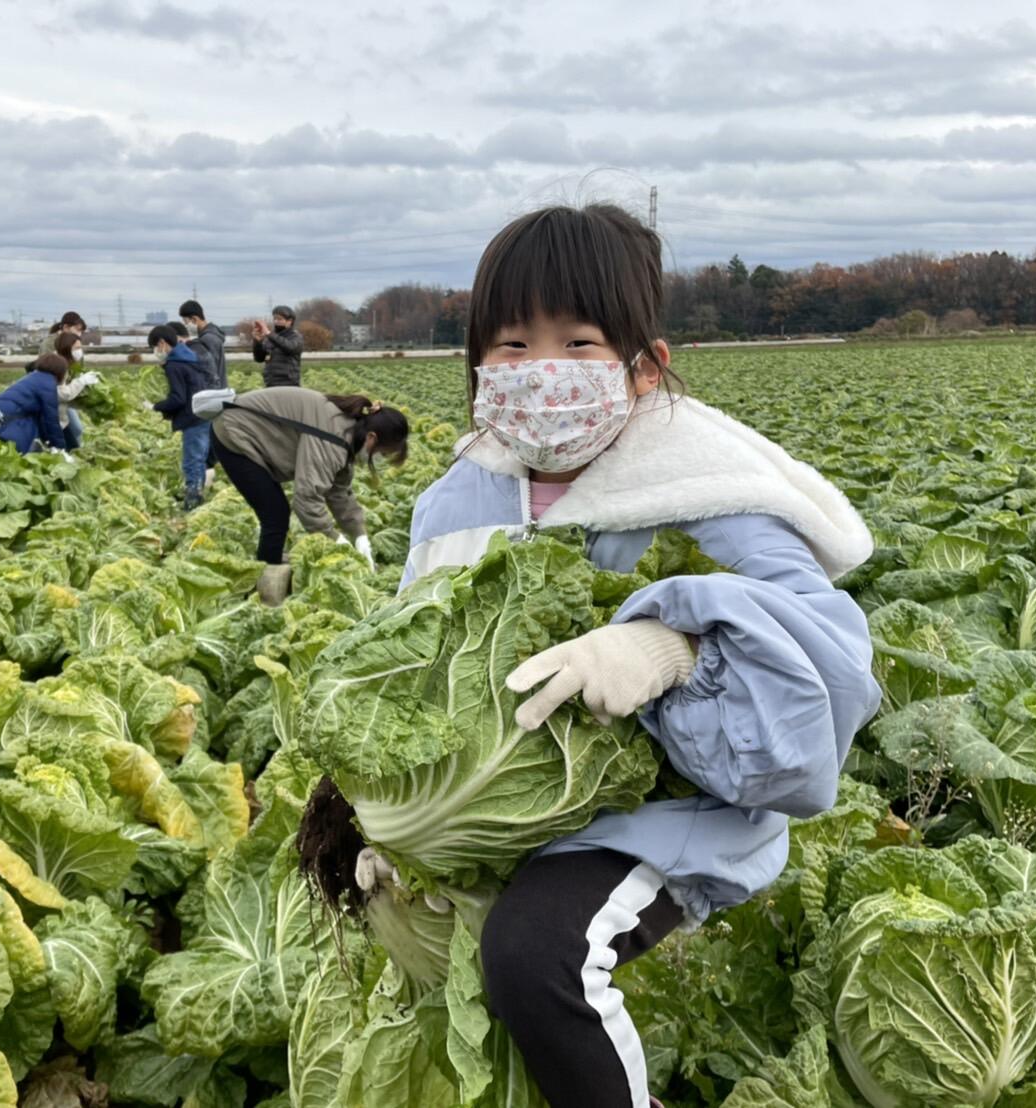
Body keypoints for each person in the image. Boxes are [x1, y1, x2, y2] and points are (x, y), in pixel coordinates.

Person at [392, 204, 880, 1108]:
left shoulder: (706, 490)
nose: (541, 371)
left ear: (643, 365)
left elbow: (837, 660)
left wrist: (670, 648)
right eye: (510, 344)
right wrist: (372, 816)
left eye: (577, 343)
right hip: (505, 809)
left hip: (668, 807)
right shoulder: (454, 504)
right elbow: (405, 671)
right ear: (475, 363)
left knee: (536, 956)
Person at [209, 387, 409, 604]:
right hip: (234, 431)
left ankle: (270, 567)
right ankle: (268, 592)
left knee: (276, 512)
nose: (379, 459)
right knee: (275, 514)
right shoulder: (332, 437)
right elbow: (306, 499)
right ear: (372, 438)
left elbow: (339, 492)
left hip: (248, 428)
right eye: (383, 453)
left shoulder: (347, 435)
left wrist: (360, 536)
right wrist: (336, 539)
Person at [148, 324, 212, 510]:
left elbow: (177, 398)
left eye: (154, 347)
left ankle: (192, 502)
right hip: (203, 413)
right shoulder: (189, 357)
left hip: (191, 418)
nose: (155, 352)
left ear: (162, 343)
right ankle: (198, 496)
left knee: (191, 461)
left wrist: (156, 406)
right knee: (199, 458)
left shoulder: (174, 365)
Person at [0, 353, 69, 455]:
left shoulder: (32, 377)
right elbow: (51, 420)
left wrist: (49, 442)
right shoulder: (48, 383)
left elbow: (42, 419)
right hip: (8, 422)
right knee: (19, 457)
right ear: (59, 371)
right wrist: (60, 448)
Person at [52, 331, 99, 450]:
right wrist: (81, 381)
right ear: (67, 348)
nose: (80, 351)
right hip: (52, 418)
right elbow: (62, 394)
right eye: (77, 348)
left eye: (80, 347)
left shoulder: (64, 365)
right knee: (67, 448)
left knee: (72, 444)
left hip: (59, 417)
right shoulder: (57, 366)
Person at [179, 299, 227, 388]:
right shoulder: (212, 335)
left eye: (186, 323)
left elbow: (209, 372)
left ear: (194, 319)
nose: (186, 327)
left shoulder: (208, 339)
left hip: (214, 393)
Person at [251, 305, 303, 387]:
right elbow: (259, 358)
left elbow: (290, 348)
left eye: (279, 319)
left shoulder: (295, 337)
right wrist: (258, 342)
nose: (276, 321)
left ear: (289, 321)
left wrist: (268, 333)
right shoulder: (271, 337)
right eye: (274, 319)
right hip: (271, 383)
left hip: (289, 383)